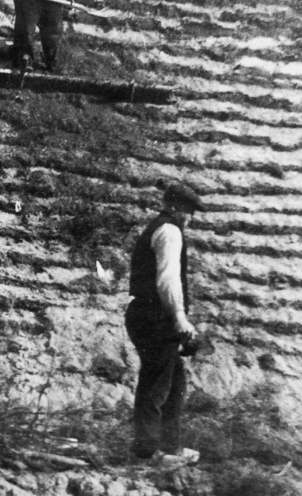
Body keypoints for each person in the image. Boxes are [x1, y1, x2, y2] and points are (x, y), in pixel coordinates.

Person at [125, 181, 206, 465]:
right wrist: (179, 316)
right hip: (155, 316)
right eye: (187, 211)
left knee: (174, 384)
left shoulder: (159, 228)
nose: (189, 218)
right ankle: (147, 453)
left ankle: (171, 448)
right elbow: (167, 278)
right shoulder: (170, 231)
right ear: (173, 207)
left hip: (148, 313)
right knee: (156, 384)